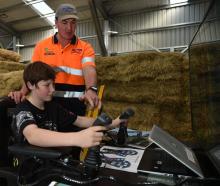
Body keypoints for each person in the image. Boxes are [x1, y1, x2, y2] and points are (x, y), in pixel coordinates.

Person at [9, 3, 99, 116]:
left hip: (75, 108)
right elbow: (32, 73)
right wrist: (22, 92)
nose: (69, 28)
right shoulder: (41, 47)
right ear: (56, 23)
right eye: (64, 22)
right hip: (47, 106)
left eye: (73, 22)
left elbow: (89, 69)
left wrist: (91, 90)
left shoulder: (86, 47)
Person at [11, 62, 124, 150]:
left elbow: (79, 120)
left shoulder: (53, 107)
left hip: (53, 164)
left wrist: (113, 123)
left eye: (53, 84)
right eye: (47, 85)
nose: (53, 89)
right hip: (32, 172)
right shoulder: (22, 109)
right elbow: (33, 135)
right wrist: (77, 138)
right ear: (30, 85)